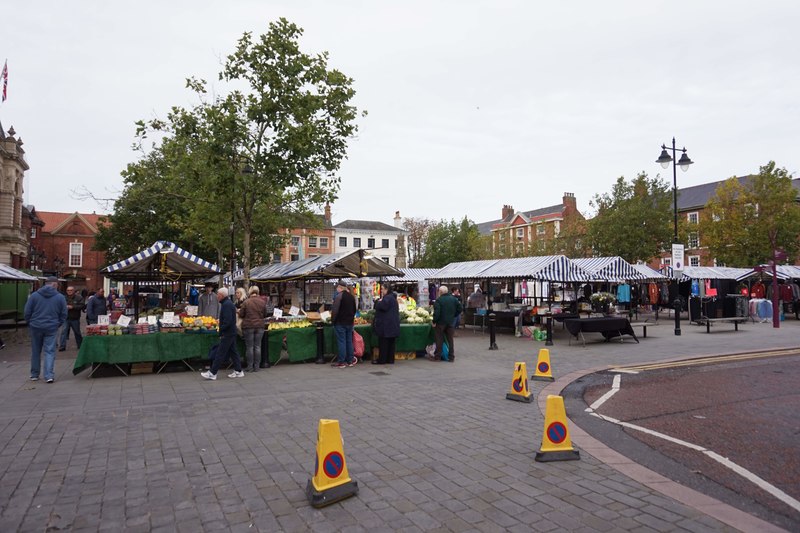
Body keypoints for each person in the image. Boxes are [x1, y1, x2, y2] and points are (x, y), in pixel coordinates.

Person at [24, 276, 67, 382]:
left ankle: (34, 374)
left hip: (36, 326)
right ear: (55, 284)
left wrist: (30, 322)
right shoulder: (60, 297)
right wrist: (58, 323)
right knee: (50, 351)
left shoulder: (34, 296)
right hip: (52, 327)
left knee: (35, 351)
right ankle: (49, 375)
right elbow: (64, 314)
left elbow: (27, 311)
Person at [201, 287, 244, 380]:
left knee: (220, 353)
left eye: (218, 294)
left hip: (228, 333)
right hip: (231, 332)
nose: (217, 296)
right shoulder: (227, 303)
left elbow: (227, 321)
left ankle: (212, 373)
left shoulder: (227, 305)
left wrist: (222, 329)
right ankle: (238, 370)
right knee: (233, 352)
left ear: (222, 295)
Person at [239, 285, 268, 371]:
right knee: (258, 346)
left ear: (250, 292)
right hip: (260, 326)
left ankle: (250, 366)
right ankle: (257, 367)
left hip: (248, 326)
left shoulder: (246, 302)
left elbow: (241, 314)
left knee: (250, 347)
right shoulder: (262, 302)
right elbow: (265, 314)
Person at [331, 280, 357, 368]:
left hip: (340, 322)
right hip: (349, 322)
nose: (337, 289)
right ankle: (350, 361)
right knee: (349, 341)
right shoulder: (351, 297)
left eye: (337, 287)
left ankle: (341, 362)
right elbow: (354, 310)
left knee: (342, 341)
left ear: (340, 288)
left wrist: (333, 321)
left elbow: (335, 311)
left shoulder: (339, 297)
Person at [433, 285, 462, 362]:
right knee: (450, 340)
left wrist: (434, 321)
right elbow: (460, 308)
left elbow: (437, 313)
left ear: (440, 292)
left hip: (440, 323)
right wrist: (454, 315)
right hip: (450, 322)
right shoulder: (453, 299)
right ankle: (451, 357)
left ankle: (438, 356)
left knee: (439, 339)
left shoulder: (439, 300)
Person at [372, 283, 400, 365]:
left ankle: (382, 360)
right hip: (393, 325)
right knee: (391, 344)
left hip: (386, 325)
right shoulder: (393, 298)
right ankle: (390, 359)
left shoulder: (387, 298)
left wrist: (377, 302)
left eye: (383, 289)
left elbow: (381, 306)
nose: (382, 290)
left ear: (387, 289)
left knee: (383, 343)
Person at [59, 286, 85, 351]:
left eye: (71, 290)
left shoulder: (79, 297)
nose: (69, 292)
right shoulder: (64, 298)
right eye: (68, 290)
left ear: (74, 291)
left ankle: (80, 345)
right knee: (64, 332)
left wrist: (73, 307)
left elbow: (82, 305)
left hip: (75, 318)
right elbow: (59, 305)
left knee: (77, 332)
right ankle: (62, 346)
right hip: (66, 318)